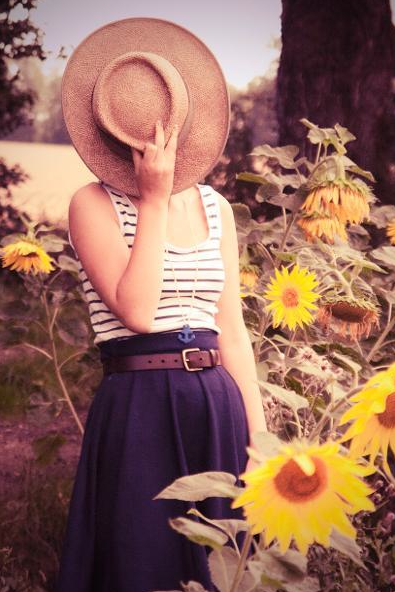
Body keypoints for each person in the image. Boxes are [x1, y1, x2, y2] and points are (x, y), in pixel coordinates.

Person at [56, 16, 267, 592]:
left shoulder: (216, 207)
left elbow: (233, 328)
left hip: (216, 400)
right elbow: (138, 312)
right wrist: (151, 199)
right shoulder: (91, 203)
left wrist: (261, 437)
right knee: (140, 565)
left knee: (219, 565)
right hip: (139, 405)